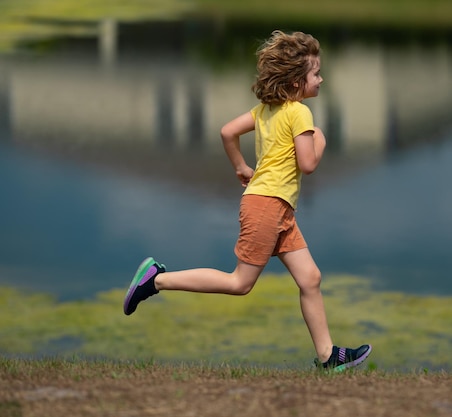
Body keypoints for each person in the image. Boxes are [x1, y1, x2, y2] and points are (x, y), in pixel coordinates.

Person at [123, 30, 371, 371]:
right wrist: (322, 141)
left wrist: (241, 166)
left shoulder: (266, 109)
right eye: (316, 74)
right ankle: (155, 279)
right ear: (297, 81)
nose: (321, 78)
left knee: (310, 279)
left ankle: (328, 357)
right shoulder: (299, 114)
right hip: (267, 205)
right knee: (240, 283)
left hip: (275, 207)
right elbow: (308, 164)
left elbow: (227, 131)